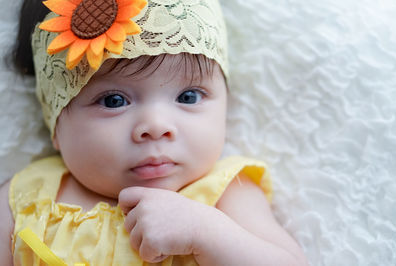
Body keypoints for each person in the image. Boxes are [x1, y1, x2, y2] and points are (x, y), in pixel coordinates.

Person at [0, 0, 308, 265]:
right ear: (55, 123)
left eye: (188, 96)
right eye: (114, 101)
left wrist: (205, 232)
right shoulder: (27, 196)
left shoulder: (225, 194)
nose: (157, 126)